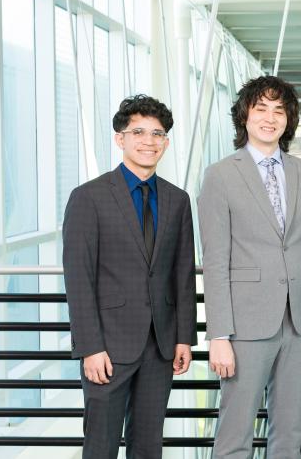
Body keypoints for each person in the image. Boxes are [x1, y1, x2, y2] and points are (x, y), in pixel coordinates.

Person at [197, 75, 301, 459]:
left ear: (288, 120)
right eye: (261, 109)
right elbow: (215, 261)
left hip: (300, 322)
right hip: (245, 325)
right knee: (235, 431)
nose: (270, 118)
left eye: (279, 110)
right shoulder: (220, 175)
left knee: (289, 432)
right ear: (245, 116)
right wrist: (219, 335)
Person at [63, 95, 197, 458]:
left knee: (148, 445)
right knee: (101, 445)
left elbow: (183, 274)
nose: (148, 141)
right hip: (107, 346)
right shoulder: (88, 197)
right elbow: (78, 279)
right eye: (138, 131)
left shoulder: (178, 200)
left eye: (157, 134)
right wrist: (90, 347)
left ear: (166, 143)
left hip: (160, 345)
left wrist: (184, 338)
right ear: (120, 138)